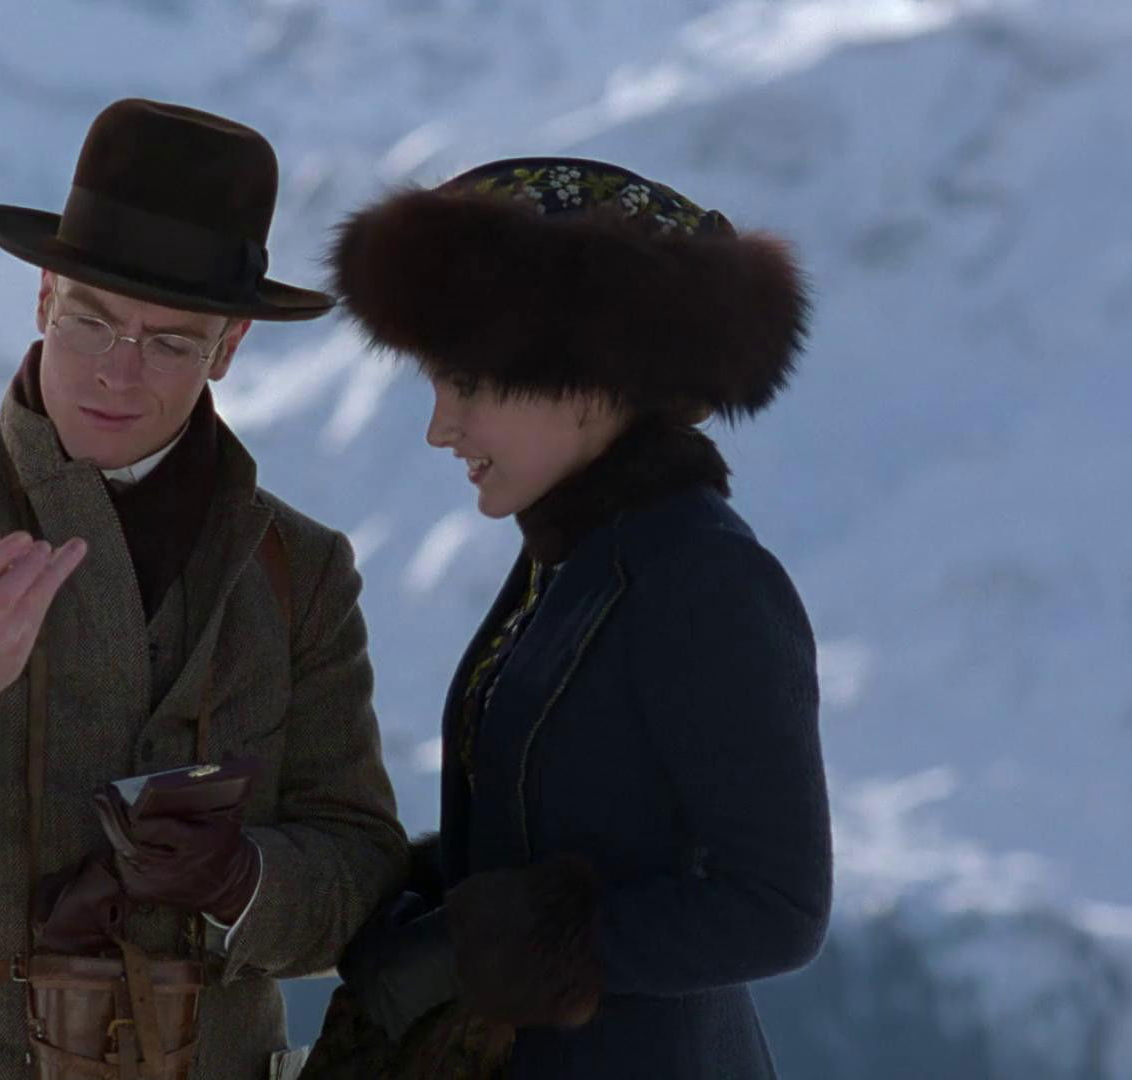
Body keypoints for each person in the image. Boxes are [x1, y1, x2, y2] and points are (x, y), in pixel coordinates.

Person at [0, 99, 407, 1079]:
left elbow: (360, 873)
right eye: (92, 321)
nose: (117, 374)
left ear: (227, 349)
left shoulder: (298, 569)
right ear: (45, 298)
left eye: (169, 342)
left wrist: (242, 878)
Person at [305, 157, 833, 1079]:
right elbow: (562, 826)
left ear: (587, 381)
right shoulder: (575, 559)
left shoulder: (704, 580)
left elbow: (778, 909)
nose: (440, 426)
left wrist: (487, 952)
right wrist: (403, 901)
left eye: (468, 384)